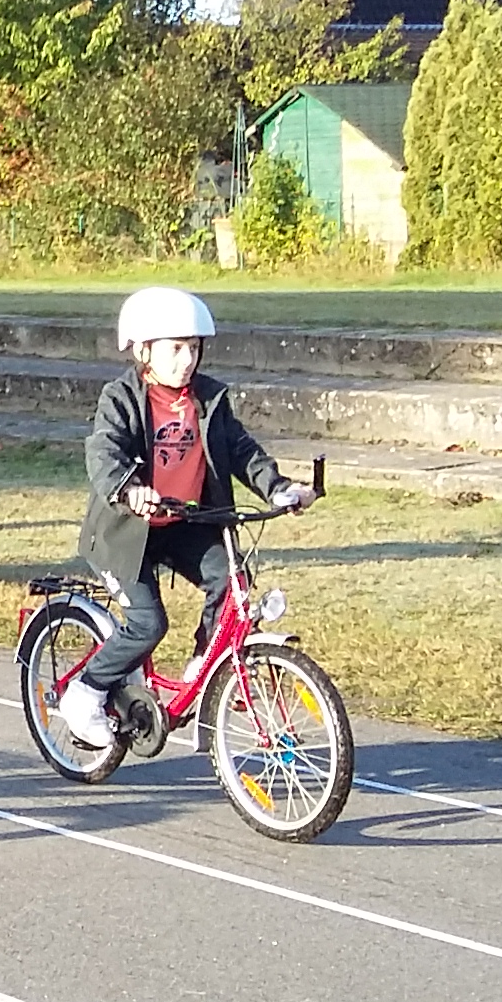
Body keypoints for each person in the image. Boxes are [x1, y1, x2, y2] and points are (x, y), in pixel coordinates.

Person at [56, 286, 315, 748]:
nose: (187, 359)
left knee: (232, 580)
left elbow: (242, 450)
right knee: (147, 624)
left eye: (193, 348)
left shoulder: (209, 399)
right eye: (175, 349)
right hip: (126, 534)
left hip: (183, 524)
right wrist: (128, 489)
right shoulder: (121, 398)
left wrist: (279, 488)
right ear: (142, 350)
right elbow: (104, 451)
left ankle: (204, 666)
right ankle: (85, 693)